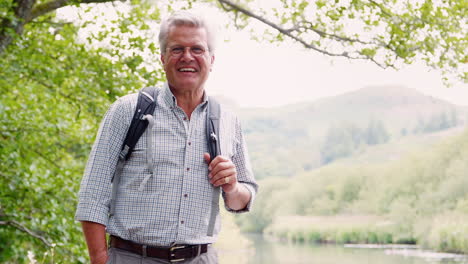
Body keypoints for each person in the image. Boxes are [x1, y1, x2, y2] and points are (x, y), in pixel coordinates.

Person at [75, 10, 258, 264]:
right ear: (162, 58)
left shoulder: (228, 121)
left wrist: (232, 186)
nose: (187, 57)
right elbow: (93, 192)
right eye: (177, 49)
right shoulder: (129, 109)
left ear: (211, 59)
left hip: (201, 259)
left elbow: (243, 198)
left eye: (197, 49)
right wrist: (99, 260)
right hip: (132, 257)